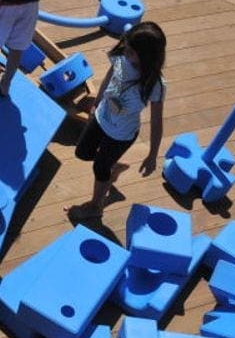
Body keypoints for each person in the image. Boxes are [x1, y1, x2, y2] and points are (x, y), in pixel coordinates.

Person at [66, 21, 167, 220]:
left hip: (121, 134)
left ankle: (96, 206)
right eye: (126, 48)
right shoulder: (122, 56)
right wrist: (96, 103)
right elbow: (109, 75)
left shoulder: (154, 84)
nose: (125, 53)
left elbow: (156, 121)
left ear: (147, 56)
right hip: (100, 116)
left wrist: (153, 154)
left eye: (131, 52)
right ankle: (113, 166)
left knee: (99, 168)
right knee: (83, 152)